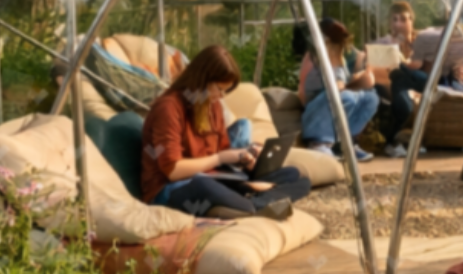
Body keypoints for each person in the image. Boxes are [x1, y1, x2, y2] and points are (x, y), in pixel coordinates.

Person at [141, 46, 309, 220]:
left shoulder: (212, 106)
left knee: (296, 176)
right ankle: (254, 204)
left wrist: (244, 159)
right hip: (170, 191)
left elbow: (222, 155)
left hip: (213, 179)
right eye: (219, 89)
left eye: (225, 91)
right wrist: (221, 159)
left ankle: (249, 204)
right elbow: (173, 171)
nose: (221, 97)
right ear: (202, 80)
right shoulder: (168, 108)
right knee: (203, 185)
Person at [382, 14, 463, 157]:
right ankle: (395, 141)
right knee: (406, 90)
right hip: (428, 82)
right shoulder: (428, 40)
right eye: (395, 19)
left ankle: (399, 71)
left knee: (410, 81)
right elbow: (422, 64)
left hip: (448, 85)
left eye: (403, 19)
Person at [298, 18, 377, 163]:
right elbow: (304, 93)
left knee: (370, 98)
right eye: (338, 42)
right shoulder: (313, 57)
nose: (342, 46)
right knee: (347, 97)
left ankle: (347, 142)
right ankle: (319, 142)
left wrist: (360, 75)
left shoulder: (339, 58)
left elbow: (343, 82)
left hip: (335, 98)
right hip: (316, 109)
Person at [367, 1, 417, 94]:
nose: (398, 24)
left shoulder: (420, 42)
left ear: (411, 21)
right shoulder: (382, 43)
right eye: (394, 20)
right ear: (390, 23)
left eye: (403, 19)